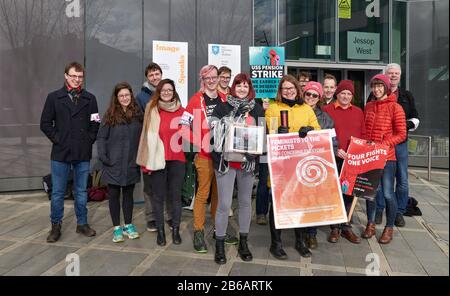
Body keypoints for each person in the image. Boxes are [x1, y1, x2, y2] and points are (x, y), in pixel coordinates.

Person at [179, 65, 238, 253]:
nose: (212, 80)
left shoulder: (224, 99)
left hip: (222, 155)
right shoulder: (196, 100)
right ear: (202, 80)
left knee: (219, 196)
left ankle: (217, 229)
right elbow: (182, 127)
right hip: (204, 155)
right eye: (208, 78)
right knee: (203, 193)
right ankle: (198, 231)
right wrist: (201, 143)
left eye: (214, 77)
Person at [40, 61, 99, 243]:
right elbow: (45, 124)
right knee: (58, 192)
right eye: (73, 76)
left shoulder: (90, 99)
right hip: (61, 153)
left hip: (82, 152)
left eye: (80, 77)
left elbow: (95, 123)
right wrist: (59, 140)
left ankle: (82, 224)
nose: (76, 80)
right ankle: (55, 226)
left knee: (81, 191)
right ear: (66, 76)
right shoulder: (54, 98)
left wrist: (88, 140)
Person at [210, 73, 265, 264]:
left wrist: (255, 152)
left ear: (250, 89)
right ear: (233, 87)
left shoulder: (257, 109)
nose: (242, 89)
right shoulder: (222, 106)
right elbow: (212, 133)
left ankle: (243, 242)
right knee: (224, 204)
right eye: (239, 85)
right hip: (225, 164)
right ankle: (219, 244)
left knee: (244, 203)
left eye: (245, 86)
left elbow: (262, 135)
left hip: (246, 164)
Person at [265, 75, 320, 259]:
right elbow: (268, 133)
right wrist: (276, 133)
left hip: (301, 165)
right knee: (277, 205)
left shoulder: (306, 109)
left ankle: (300, 241)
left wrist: (309, 130)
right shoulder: (273, 109)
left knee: (300, 204)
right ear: (280, 91)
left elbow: (318, 131)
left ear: (298, 89)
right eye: (285, 88)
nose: (288, 91)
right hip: (280, 165)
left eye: (292, 88)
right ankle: (276, 243)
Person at [137, 79, 186, 246]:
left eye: (170, 90)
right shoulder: (151, 109)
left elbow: (189, 135)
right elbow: (145, 135)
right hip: (157, 159)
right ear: (159, 92)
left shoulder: (182, 110)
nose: (166, 93)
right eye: (163, 90)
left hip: (177, 159)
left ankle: (176, 230)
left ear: (174, 92)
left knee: (175, 196)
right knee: (157, 197)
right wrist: (145, 161)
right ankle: (160, 232)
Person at [362, 74, 406, 244]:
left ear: (386, 87)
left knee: (388, 194)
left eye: (380, 86)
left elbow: (402, 134)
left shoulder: (396, 107)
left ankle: (389, 227)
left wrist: (384, 145)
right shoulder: (369, 106)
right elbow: (365, 130)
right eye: (374, 86)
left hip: (387, 158)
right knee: (370, 193)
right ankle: (371, 224)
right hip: (371, 156)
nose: (377, 89)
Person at [374, 63, 420, 227]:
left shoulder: (406, 96)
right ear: (386, 75)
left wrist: (406, 125)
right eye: (390, 73)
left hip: (399, 144)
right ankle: (379, 209)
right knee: (379, 178)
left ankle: (399, 211)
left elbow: (415, 117)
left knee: (402, 179)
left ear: (400, 76)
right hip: (380, 145)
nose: (393, 76)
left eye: (396, 73)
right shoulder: (375, 93)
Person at [97, 82, 143, 243]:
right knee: (114, 196)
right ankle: (117, 228)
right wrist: (103, 156)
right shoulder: (109, 115)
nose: (125, 98)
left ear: (131, 96)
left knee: (129, 195)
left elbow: (143, 137)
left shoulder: (138, 115)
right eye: (121, 96)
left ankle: (128, 225)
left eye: (127, 95)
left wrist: (141, 157)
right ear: (116, 98)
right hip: (113, 163)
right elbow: (101, 137)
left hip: (131, 163)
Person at [323, 80, 365, 245]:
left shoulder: (358, 112)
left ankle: (346, 226)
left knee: (348, 193)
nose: (345, 96)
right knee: (335, 192)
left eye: (349, 94)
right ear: (337, 94)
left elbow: (363, 134)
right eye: (342, 93)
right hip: (334, 157)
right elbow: (324, 134)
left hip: (352, 159)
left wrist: (355, 153)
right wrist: (337, 149)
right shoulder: (327, 110)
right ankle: (335, 227)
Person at [135, 62, 172, 232]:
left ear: (161, 74)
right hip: (150, 146)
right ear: (147, 78)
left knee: (166, 182)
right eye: (151, 75)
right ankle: (151, 217)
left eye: (157, 74)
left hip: (167, 145)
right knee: (149, 184)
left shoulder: (169, 93)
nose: (155, 77)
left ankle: (168, 214)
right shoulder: (141, 98)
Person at [302, 81, 338, 249]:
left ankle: (311, 234)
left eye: (314, 95)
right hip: (297, 162)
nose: (310, 97)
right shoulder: (296, 112)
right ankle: (298, 232)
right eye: (308, 94)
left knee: (314, 200)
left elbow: (333, 142)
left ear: (319, 98)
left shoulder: (327, 119)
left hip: (316, 165)